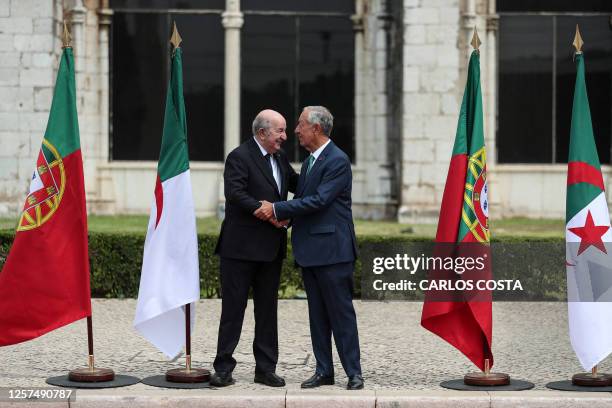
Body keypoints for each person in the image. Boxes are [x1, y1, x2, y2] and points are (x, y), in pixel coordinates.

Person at [255, 106, 363, 390]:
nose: (295, 130)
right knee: (317, 315)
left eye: (300, 124)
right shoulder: (312, 160)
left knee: (340, 314)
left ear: (316, 128)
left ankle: (354, 372)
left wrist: (276, 208)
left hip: (333, 252)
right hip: (312, 251)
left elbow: (318, 200)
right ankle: (324, 371)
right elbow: (305, 196)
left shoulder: (337, 160)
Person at [211, 109, 298, 387]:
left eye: (285, 130)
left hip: (271, 249)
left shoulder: (281, 158)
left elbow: (298, 184)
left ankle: (265, 368)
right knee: (233, 310)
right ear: (262, 133)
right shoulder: (239, 156)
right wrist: (265, 210)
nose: (284, 137)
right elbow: (235, 194)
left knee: (267, 310)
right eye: (280, 131)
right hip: (240, 250)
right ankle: (223, 368)